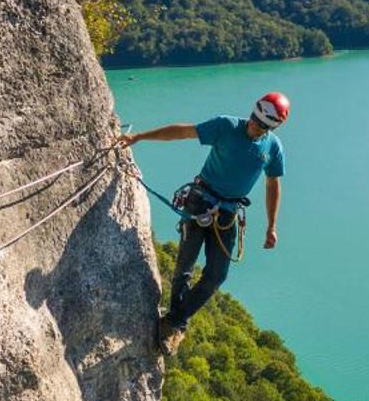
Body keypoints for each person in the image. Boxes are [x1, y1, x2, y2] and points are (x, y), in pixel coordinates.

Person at [117, 91, 288, 353]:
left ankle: (174, 321)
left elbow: (273, 183)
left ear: (273, 126)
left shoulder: (272, 147)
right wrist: (139, 137)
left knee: (217, 275)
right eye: (254, 118)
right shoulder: (226, 126)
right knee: (184, 266)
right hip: (199, 202)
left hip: (227, 214)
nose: (254, 125)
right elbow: (183, 131)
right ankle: (174, 326)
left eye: (262, 124)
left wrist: (271, 225)